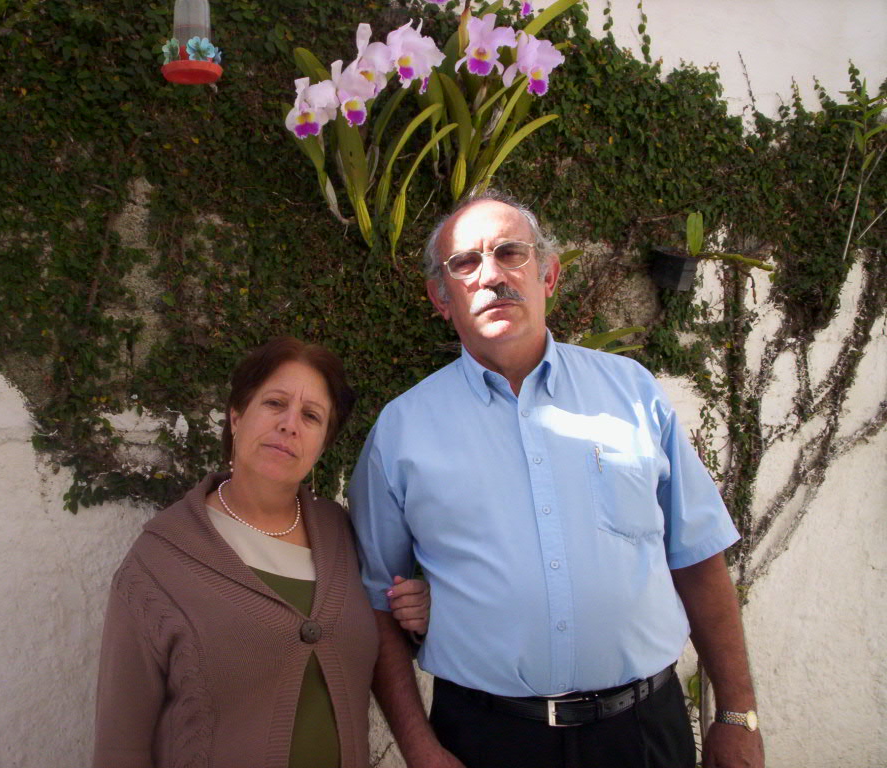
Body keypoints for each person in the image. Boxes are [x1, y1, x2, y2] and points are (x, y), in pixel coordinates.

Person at [349, 191, 765, 768]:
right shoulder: (401, 432)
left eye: (510, 253)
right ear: (441, 297)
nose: (491, 275)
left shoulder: (632, 392)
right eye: (465, 263)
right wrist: (419, 748)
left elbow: (697, 557)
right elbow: (376, 600)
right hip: (487, 740)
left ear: (548, 275)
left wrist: (737, 713)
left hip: (642, 733)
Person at [93, 337, 430, 768]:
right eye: (274, 404)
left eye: (311, 416)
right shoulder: (158, 562)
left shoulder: (342, 535)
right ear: (236, 416)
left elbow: (378, 633)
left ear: (322, 445)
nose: (290, 424)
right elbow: (120, 747)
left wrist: (415, 608)